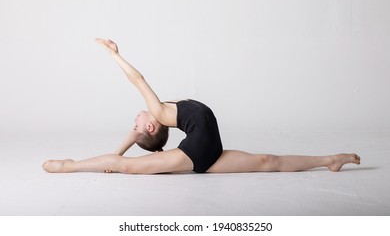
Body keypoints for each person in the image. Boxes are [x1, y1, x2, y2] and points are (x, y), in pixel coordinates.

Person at [42, 39, 361, 174]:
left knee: (268, 160)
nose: (136, 117)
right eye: (136, 122)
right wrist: (114, 54)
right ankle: (69, 165)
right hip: (196, 152)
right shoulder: (161, 114)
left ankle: (329, 160)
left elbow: (138, 108)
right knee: (128, 168)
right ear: (151, 126)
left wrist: (125, 148)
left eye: (135, 121)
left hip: (207, 153)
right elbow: (137, 79)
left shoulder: (165, 114)